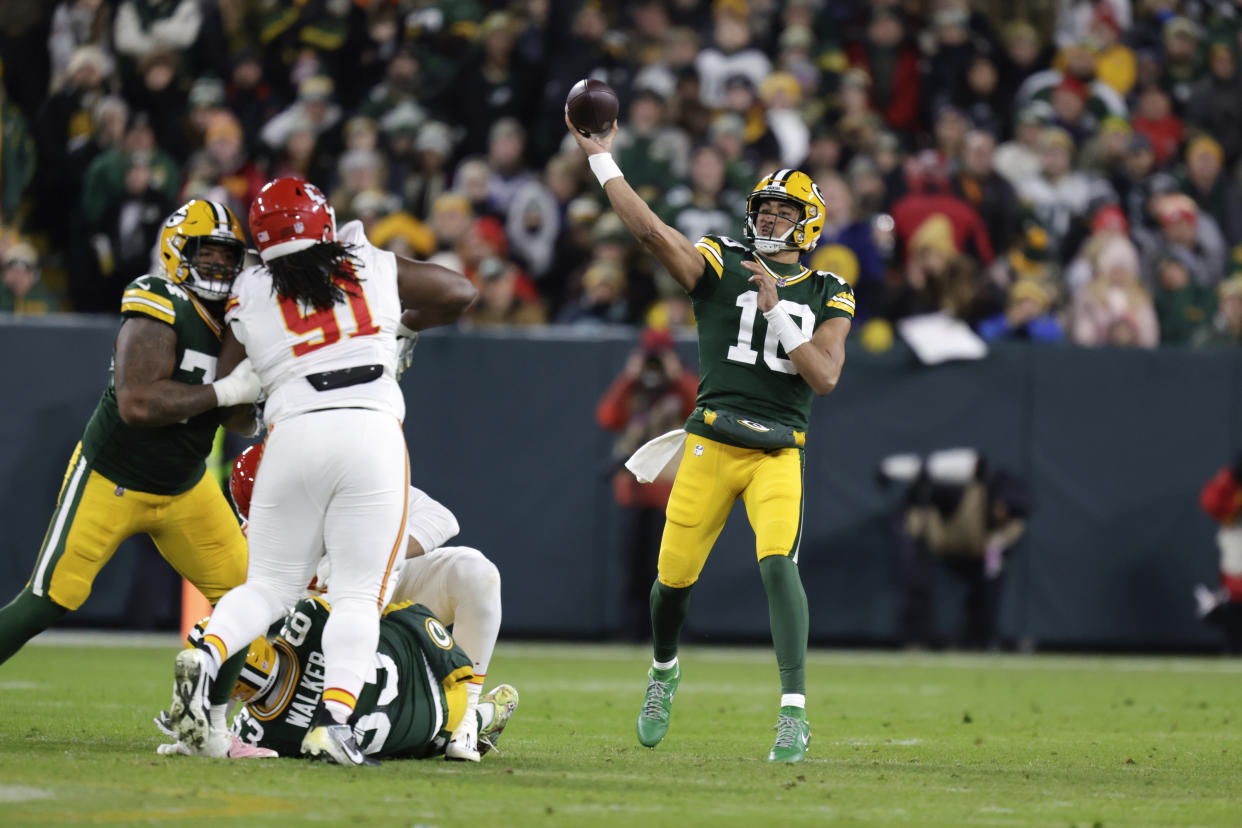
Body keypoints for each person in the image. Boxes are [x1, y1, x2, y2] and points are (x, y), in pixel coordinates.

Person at [567, 114, 854, 763]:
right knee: (671, 582)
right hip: (711, 443)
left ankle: (793, 713)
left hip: (778, 450)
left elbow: (826, 376)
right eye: (766, 210)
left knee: (779, 565)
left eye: (784, 212)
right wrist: (603, 160)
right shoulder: (722, 261)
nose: (772, 220)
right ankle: (663, 671)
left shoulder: (831, 290)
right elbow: (648, 231)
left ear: (807, 222)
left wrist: (778, 309)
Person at [166, 178, 475, 766]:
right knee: (358, 593)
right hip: (369, 429)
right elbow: (458, 291)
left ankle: (205, 655)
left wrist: (257, 382)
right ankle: (333, 723)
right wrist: (399, 328)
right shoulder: (366, 262)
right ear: (323, 222)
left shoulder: (251, 287)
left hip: (292, 434)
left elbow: (230, 408)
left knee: (267, 587)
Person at [0, 200, 261, 730]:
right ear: (175, 252)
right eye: (205, 255)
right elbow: (137, 403)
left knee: (247, 599)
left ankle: (211, 725)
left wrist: (256, 399)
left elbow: (235, 415)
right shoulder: (158, 298)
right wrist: (222, 391)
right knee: (50, 599)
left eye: (226, 258)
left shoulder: (237, 319)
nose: (217, 267)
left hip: (185, 487)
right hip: (112, 477)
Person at [227, 443, 504, 762]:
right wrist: (217, 720)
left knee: (475, 572)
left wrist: (375, 558)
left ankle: (467, 718)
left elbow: (439, 518)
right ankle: (462, 720)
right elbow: (241, 639)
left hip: (386, 589)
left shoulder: (350, 487)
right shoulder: (247, 551)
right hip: (324, 652)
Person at [158, 597, 519, 762]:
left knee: (426, 735)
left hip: (422, 735)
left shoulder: (260, 732)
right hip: (431, 668)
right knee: (377, 606)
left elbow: (248, 744)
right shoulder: (306, 619)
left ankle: (480, 718)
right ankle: (478, 715)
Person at [596, 328, 699, 641]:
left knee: (668, 567)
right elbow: (607, 417)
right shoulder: (632, 389)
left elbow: (700, 408)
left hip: (668, 492)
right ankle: (631, 632)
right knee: (632, 567)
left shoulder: (680, 388)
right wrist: (628, 377)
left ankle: (667, 632)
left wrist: (677, 375)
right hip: (633, 492)